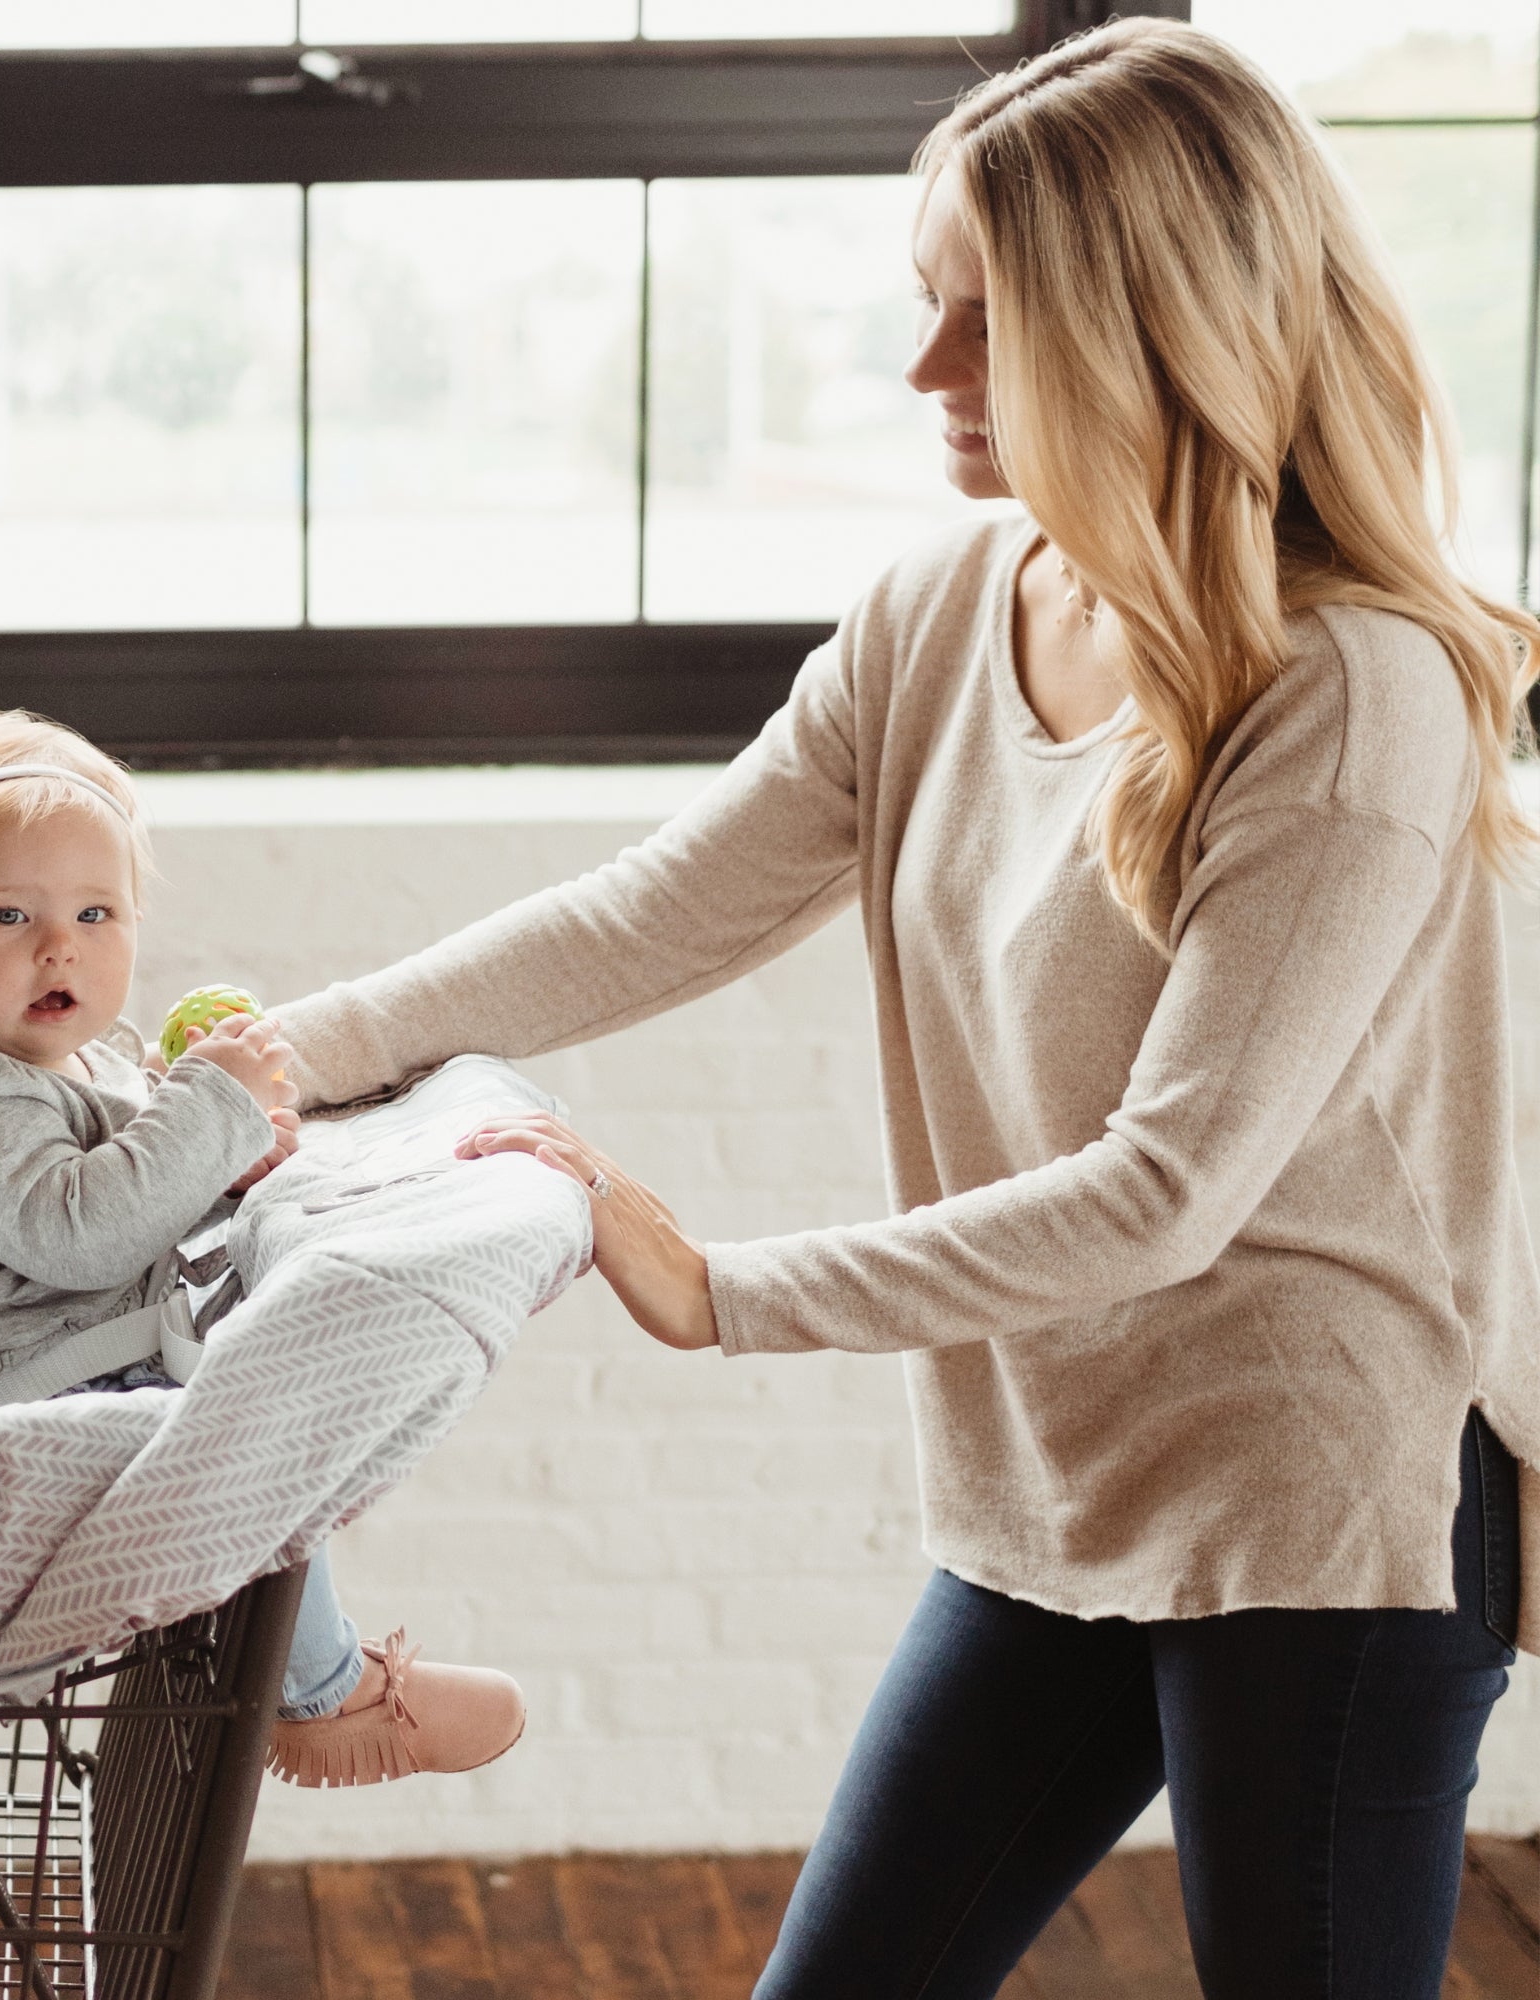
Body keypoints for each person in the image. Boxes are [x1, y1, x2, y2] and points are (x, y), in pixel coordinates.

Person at [274, 20, 1539, 1994]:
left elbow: (1167, 1190)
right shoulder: (947, 605)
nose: (922, 373)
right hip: (1059, 1457)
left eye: (983, 325)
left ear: (1144, 336)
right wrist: (307, 1047)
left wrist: (717, 1287)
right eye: (925, 309)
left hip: (1319, 1501)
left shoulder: (1349, 689)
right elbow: (670, 903)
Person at [0, 709, 526, 1789]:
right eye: (8, 913)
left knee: (260, 1313)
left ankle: (290, 1640)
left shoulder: (48, 1055)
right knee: (251, 1416)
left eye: (94, 911)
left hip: (31, 1342)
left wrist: (220, 1147)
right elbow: (78, 1228)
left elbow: (116, 1182)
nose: (57, 944)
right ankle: (320, 1692)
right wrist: (207, 1104)